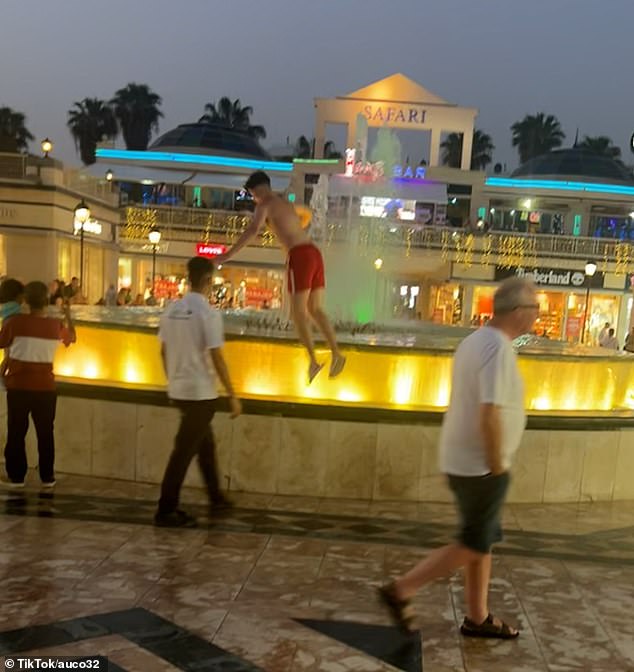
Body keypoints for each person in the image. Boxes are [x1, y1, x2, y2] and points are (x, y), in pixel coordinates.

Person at [378, 278, 539, 640]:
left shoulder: (476, 340)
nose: (537, 316)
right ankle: (401, 589)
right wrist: (497, 464)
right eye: (534, 308)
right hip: (481, 464)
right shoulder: (496, 348)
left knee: (483, 539)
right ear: (518, 312)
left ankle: (478, 616)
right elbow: (490, 413)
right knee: (472, 543)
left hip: (466, 459)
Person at [215, 171, 345, 383]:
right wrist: (292, 230)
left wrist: (227, 255)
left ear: (257, 190)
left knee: (298, 313)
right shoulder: (284, 203)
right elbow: (307, 214)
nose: (254, 200)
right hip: (313, 252)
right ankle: (337, 354)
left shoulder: (264, 205)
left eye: (253, 195)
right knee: (315, 309)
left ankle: (313, 360)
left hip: (300, 257)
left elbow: (252, 231)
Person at [156, 256, 242, 528]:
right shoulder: (208, 314)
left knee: (205, 443)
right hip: (201, 393)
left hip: (180, 389)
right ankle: (166, 509)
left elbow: (163, 350)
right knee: (182, 452)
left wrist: (173, 380)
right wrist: (233, 394)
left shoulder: (171, 310)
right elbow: (217, 357)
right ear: (208, 281)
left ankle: (216, 496)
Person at [0, 281, 76, 489]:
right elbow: (72, 338)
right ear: (46, 300)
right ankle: (47, 476)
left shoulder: (14, 323)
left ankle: (17, 477)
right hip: (46, 388)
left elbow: (1, 342)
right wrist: (67, 314)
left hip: (19, 386)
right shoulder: (55, 325)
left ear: (24, 300)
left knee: (17, 431)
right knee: (45, 432)